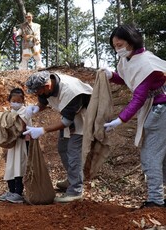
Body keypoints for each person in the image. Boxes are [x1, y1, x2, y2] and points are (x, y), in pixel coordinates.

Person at [102, 24, 166, 208]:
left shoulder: (145, 62)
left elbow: (139, 96)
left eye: (120, 44)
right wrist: (112, 75)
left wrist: (120, 119)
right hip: (156, 107)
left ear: (131, 41)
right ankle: (160, 197)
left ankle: (155, 200)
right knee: (162, 155)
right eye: (115, 46)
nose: (117, 49)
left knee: (151, 155)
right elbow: (128, 79)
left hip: (159, 109)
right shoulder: (128, 60)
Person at [23, 71, 92, 203]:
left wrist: (43, 130)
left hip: (84, 117)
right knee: (63, 148)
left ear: (47, 86)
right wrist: (37, 108)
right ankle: (72, 179)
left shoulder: (70, 92)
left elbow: (66, 122)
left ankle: (76, 190)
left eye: (38, 92)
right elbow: (44, 100)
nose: (37, 95)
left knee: (73, 152)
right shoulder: (47, 86)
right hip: (70, 115)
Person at [0, 88, 32, 204]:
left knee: (19, 167)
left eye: (18, 101)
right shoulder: (10, 113)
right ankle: (11, 191)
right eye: (13, 101)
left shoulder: (25, 112)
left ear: (23, 101)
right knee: (11, 167)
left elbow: (20, 127)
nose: (16, 103)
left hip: (22, 144)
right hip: (13, 145)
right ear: (9, 100)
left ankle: (18, 193)